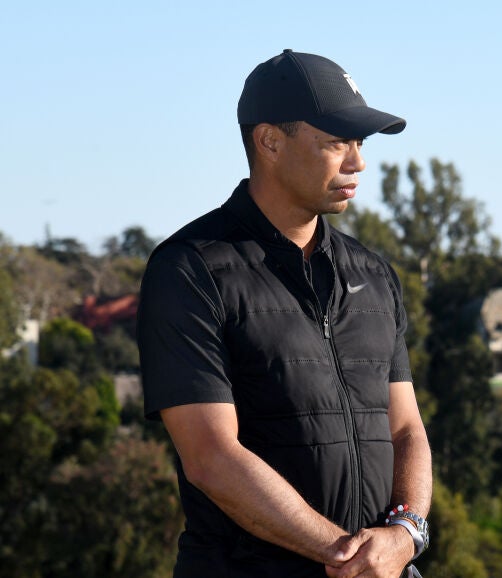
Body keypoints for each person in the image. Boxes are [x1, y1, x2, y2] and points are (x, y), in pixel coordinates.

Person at [137, 49, 432, 578]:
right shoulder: (189, 270)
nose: (358, 162)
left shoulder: (374, 274)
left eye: (360, 143)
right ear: (270, 141)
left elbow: (406, 428)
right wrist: (348, 556)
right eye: (336, 142)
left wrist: (405, 534)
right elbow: (211, 457)